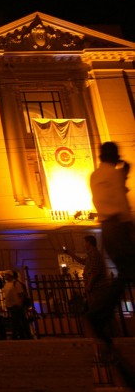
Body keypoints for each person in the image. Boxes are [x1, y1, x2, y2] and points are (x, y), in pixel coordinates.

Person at [87, 142, 135, 387]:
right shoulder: (113, 175)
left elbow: (107, 195)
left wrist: (122, 175)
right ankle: (98, 313)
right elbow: (121, 202)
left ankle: (99, 314)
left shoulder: (95, 175)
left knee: (126, 273)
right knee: (128, 272)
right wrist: (131, 228)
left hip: (106, 227)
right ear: (113, 156)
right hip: (119, 225)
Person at [63, 235, 108, 307]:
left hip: (96, 286)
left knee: (96, 305)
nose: (84, 245)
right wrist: (70, 254)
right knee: (94, 305)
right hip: (93, 285)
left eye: (85, 243)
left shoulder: (95, 254)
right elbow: (83, 261)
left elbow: (95, 271)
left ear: (89, 242)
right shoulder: (91, 254)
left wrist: (89, 284)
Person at [2, 270, 31, 340]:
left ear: (10, 275)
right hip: (10, 305)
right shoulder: (7, 284)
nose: (5, 276)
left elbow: (21, 294)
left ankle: (18, 335)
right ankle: (22, 335)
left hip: (17, 305)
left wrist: (20, 303)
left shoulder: (16, 283)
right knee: (18, 320)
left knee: (17, 321)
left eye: (6, 275)